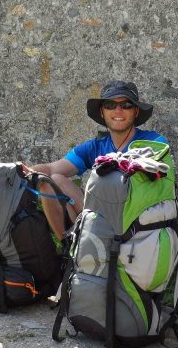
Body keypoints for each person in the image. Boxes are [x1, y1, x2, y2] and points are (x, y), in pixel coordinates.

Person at [26, 80, 167, 237]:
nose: (118, 110)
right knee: (52, 180)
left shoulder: (154, 142)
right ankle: (70, 250)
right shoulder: (95, 147)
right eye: (110, 105)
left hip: (136, 219)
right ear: (102, 112)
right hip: (100, 218)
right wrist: (19, 170)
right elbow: (52, 168)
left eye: (126, 105)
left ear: (136, 111)